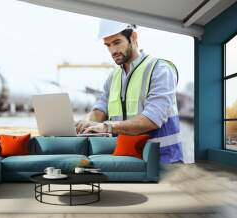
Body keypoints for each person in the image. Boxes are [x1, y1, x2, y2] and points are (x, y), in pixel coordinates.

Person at [76, 19, 183, 163]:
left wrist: (106, 127)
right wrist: (86, 123)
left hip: (162, 161)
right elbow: (100, 110)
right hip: (127, 160)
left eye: (117, 42)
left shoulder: (159, 70)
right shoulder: (113, 77)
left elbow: (152, 119)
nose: (113, 51)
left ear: (133, 37)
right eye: (108, 45)